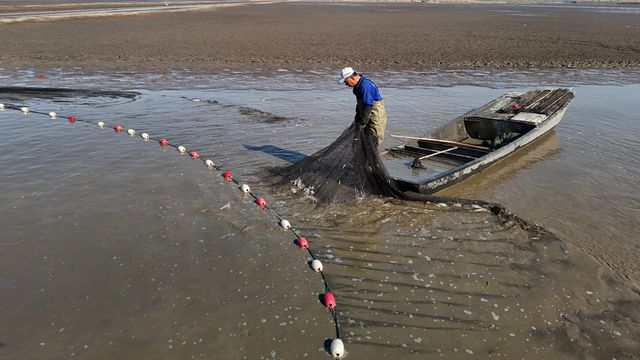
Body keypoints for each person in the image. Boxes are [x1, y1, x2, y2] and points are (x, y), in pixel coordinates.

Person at [339, 67, 387, 145]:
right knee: (365, 138)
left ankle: (373, 155)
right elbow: (360, 103)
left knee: (374, 138)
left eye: (346, 81)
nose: (346, 84)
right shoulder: (357, 85)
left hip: (375, 114)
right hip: (365, 113)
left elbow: (368, 106)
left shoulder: (365, 86)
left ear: (352, 78)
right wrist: (358, 116)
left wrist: (362, 123)